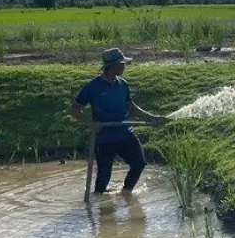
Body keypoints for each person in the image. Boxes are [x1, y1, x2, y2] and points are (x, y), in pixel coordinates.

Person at [70, 48, 168, 194]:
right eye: (122, 64)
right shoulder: (93, 87)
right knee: (103, 178)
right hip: (105, 138)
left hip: (125, 134)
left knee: (139, 163)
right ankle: (100, 206)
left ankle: (126, 193)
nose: (124, 66)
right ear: (113, 66)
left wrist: (152, 118)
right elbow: (74, 110)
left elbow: (131, 108)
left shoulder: (123, 85)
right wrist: (90, 123)